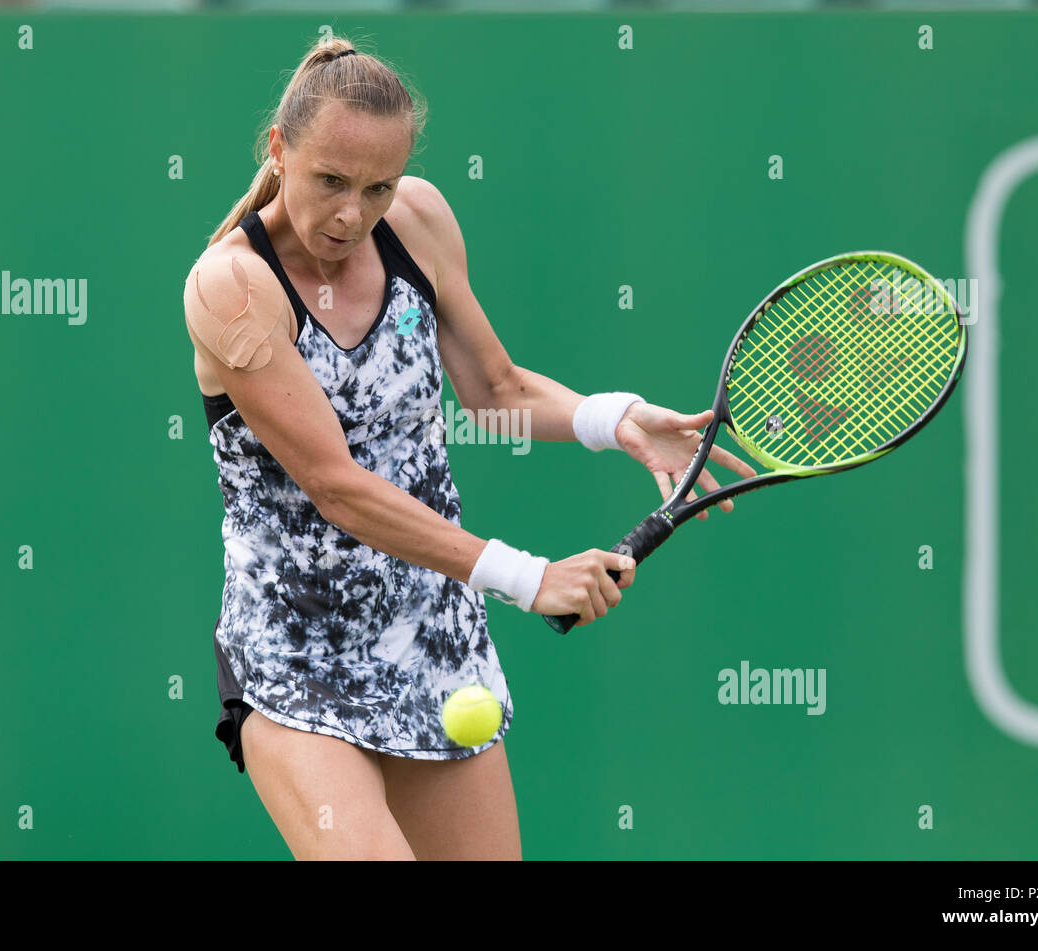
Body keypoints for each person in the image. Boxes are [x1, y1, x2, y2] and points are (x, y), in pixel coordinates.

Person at [183, 37, 755, 861]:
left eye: (377, 186)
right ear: (280, 150)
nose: (353, 213)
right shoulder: (231, 286)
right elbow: (335, 487)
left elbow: (496, 389)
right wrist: (530, 578)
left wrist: (615, 417)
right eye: (330, 182)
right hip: (293, 657)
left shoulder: (416, 221)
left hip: (433, 642)